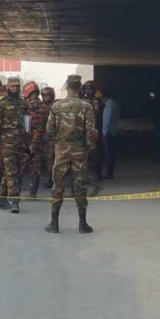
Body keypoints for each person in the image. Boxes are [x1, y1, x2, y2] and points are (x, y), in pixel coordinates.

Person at [45, 74, 98, 234]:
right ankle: (82, 224)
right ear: (80, 87)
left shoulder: (56, 106)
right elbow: (91, 131)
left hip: (61, 148)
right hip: (79, 149)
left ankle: (54, 224)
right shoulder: (86, 106)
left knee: (58, 184)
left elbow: (49, 129)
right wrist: (87, 147)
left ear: (67, 87)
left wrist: (59, 141)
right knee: (80, 185)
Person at [0, 76, 28, 213]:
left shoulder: (23, 102)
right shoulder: (0, 103)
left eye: (17, 86)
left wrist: (28, 141)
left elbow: (27, 122)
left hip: (20, 143)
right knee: (11, 173)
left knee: (14, 173)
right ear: (7, 86)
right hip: (6, 144)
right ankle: (14, 201)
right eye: (12, 86)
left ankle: (2, 199)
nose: (15, 88)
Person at [25, 82, 52, 198]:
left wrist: (30, 142)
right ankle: (57, 191)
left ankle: (32, 194)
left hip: (34, 141)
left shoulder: (28, 106)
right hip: (47, 141)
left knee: (35, 167)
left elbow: (28, 126)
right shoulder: (45, 106)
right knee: (51, 165)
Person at [81, 80, 105, 183]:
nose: (88, 90)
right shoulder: (82, 102)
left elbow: (99, 117)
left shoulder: (98, 102)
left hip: (95, 131)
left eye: (90, 88)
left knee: (96, 155)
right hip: (84, 131)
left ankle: (97, 175)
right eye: (86, 88)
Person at [99, 89, 120, 179]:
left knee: (108, 154)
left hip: (108, 133)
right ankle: (110, 172)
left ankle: (109, 173)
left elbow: (106, 121)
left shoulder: (109, 106)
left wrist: (104, 133)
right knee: (111, 154)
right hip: (113, 131)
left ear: (104, 97)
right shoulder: (114, 104)